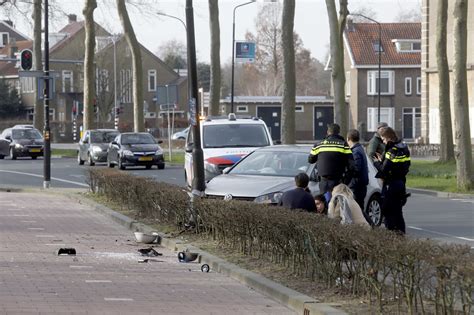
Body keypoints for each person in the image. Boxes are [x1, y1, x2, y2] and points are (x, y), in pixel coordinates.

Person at [373, 127, 411, 234]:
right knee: (398, 211)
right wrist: (384, 161)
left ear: (388, 137)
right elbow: (405, 165)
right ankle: (401, 235)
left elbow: (384, 169)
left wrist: (377, 162)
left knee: (388, 210)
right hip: (401, 183)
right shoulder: (404, 148)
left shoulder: (391, 150)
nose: (383, 142)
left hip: (391, 184)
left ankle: (391, 236)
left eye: (383, 139)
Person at [308, 123, 354, 201]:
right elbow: (352, 165)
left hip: (323, 181)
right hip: (338, 180)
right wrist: (346, 181)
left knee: (324, 204)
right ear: (338, 132)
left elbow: (310, 160)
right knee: (336, 205)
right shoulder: (343, 145)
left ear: (327, 132)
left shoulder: (319, 144)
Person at [346, 129, 369, 212]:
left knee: (356, 211)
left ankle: (370, 224)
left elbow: (356, 169)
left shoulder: (355, 152)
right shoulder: (360, 148)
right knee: (359, 210)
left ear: (348, 139)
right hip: (361, 185)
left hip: (356, 186)